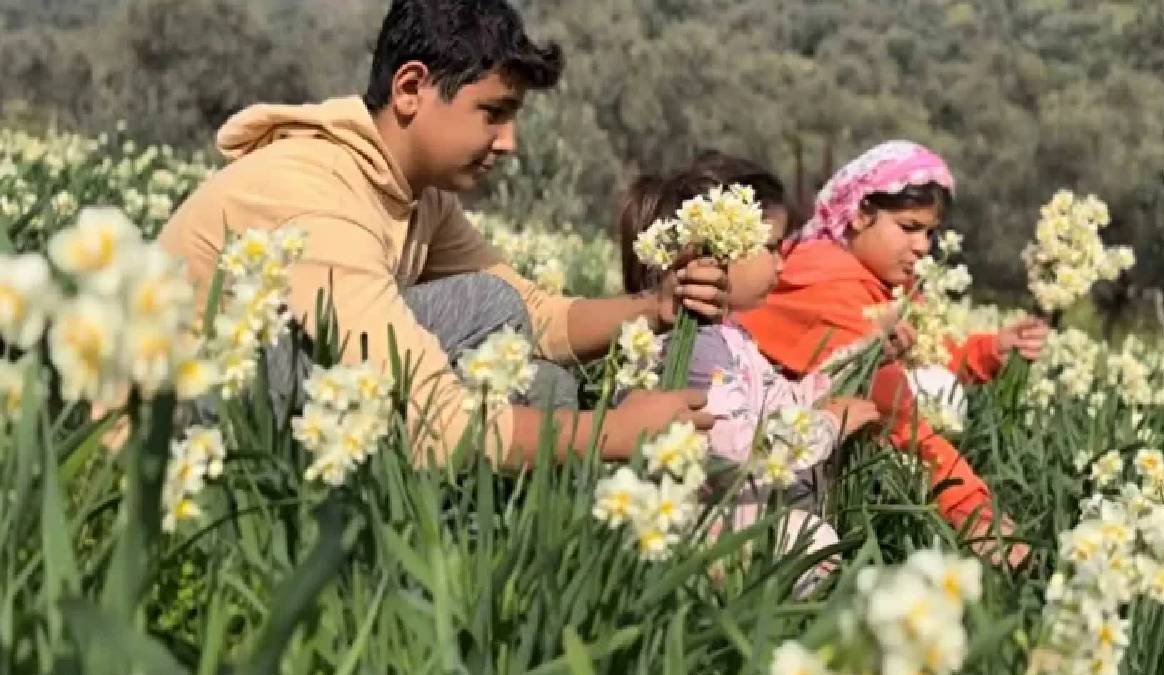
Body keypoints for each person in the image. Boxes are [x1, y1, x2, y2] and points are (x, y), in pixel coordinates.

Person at [158, 0, 729, 466]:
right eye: (493, 113)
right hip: (180, 436)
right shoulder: (313, 192)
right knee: (487, 309)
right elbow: (435, 420)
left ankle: (496, 563)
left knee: (545, 383)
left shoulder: (417, 192)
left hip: (278, 411)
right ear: (411, 89)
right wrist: (614, 432)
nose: (509, 143)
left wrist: (657, 305)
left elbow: (536, 318)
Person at [738, 140, 1048, 566]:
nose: (923, 246)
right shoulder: (830, 287)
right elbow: (898, 416)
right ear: (860, 214)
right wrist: (976, 517)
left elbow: (930, 353)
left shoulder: (872, 285)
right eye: (909, 227)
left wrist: (992, 350)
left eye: (930, 233)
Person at [615, 152, 880, 588]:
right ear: (713, 249)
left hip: (739, 520)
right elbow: (737, 449)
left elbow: (780, 402)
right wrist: (830, 423)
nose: (781, 264)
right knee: (812, 542)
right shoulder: (695, 344)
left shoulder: (729, 336)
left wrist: (858, 361)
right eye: (771, 247)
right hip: (706, 535)